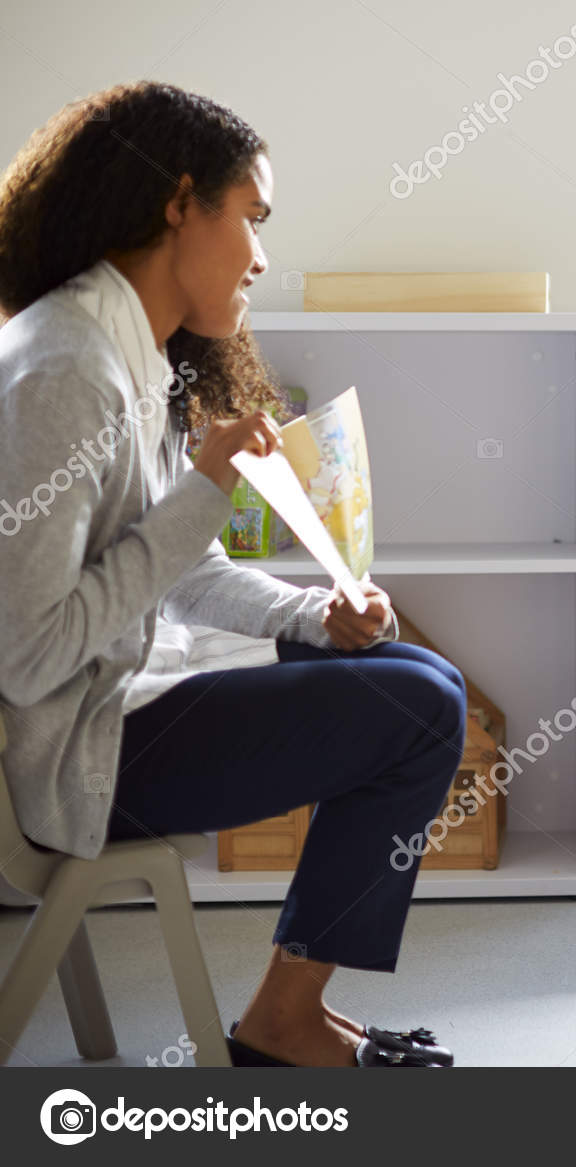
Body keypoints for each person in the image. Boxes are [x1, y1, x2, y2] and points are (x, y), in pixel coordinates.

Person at [0, 83, 464, 1068]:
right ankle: (284, 1022)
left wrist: (311, 616)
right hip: (73, 757)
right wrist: (202, 492)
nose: (260, 255)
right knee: (420, 712)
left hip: (124, 703)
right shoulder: (63, 371)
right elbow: (27, 651)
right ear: (178, 204)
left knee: (422, 679)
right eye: (250, 218)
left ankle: (287, 1016)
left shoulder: (134, 355)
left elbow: (180, 574)